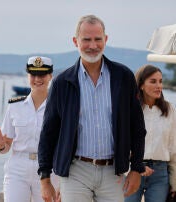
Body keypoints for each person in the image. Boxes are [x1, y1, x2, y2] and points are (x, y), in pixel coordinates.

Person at [37, 15, 146, 202]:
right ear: (75, 41)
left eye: (98, 39)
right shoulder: (61, 83)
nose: (93, 45)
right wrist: (45, 178)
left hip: (113, 172)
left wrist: (136, 168)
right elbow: (48, 132)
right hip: (75, 171)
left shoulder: (123, 77)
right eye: (86, 39)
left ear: (106, 40)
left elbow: (137, 127)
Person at [0, 56, 59, 202]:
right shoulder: (15, 106)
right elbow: (6, 147)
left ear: (50, 76)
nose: (37, 79)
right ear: (28, 76)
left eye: (42, 75)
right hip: (18, 168)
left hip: (49, 170)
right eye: (33, 74)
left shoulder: (59, 107)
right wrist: (0, 146)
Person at [124, 65, 176, 202]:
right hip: (132, 170)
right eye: (153, 81)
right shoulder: (129, 108)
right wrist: (132, 167)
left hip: (160, 173)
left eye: (160, 81)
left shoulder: (170, 110)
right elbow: (122, 142)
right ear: (141, 85)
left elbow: (174, 148)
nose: (159, 86)